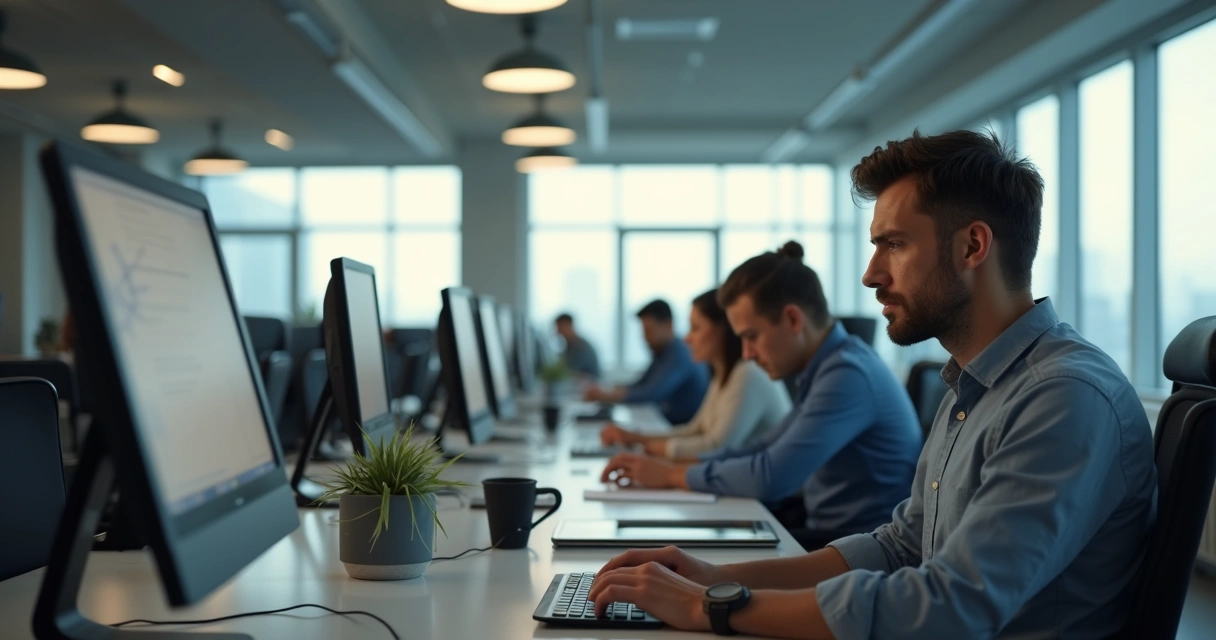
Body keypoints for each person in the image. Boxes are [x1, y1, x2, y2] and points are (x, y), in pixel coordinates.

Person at [586, 130, 1156, 639]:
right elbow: (900, 547)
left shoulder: (1063, 396)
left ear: (973, 247)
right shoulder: (971, 383)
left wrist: (718, 606)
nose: (870, 274)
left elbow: (953, 606)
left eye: (895, 244)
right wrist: (716, 577)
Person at [601, 241, 922, 549]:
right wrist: (665, 466)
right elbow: (761, 449)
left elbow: (770, 475)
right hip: (830, 536)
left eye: (752, 336)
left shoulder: (848, 375)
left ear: (793, 320)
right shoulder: (827, 367)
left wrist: (672, 475)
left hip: (857, 550)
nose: (747, 353)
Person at [600, 289, 790, 460]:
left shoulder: (748, 374)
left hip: (770, 497)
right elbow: (695, 430)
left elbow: (716, 446)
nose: (687, 338)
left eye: (695, 328)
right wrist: (636, 439)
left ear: (723, 330)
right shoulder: (724, 374)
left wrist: (648, 448)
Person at [584, 299, 709, 425]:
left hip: (682, 427)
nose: (644, 337)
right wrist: (608, 390)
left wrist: (607, 396)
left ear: (668, 326)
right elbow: (641, 383)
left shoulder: (680, 353)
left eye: (649, 331)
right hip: (669, 423)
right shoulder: (662, 352)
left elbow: (651, 393)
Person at [554, 312, 601, 379]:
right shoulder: (570, 346)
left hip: (590, 386)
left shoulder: (581, 347)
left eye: (559, 327)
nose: (557, 331)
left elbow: (569, 371)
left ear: (568, 325)